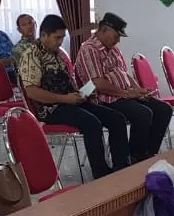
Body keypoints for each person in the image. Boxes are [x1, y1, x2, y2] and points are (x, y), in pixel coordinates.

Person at [18, 14, 131, 178]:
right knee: (92, 124)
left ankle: (122, 168)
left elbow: (70, 84)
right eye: (57, 37)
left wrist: (86, 90)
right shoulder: (31, 55)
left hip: (71, 101)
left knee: (117, 118)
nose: (60, 42)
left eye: (62, 37)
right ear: (44, 35)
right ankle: (101, 174)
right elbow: (32, 92)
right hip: (52, 108)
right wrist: (66, 99)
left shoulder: (59, 54)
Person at [74, 13, 173, 163]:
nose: (118, 40)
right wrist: (126, 93)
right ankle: (136, 158)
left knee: (164, 109)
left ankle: (148, 153)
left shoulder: (113, 48)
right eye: (116, 36)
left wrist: (138, 90)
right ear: (104, 30)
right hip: (104, 98)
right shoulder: (89, 49)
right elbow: (97, 83)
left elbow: (124, 73)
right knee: (143, 113)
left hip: (124, 94)